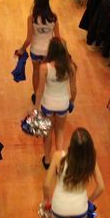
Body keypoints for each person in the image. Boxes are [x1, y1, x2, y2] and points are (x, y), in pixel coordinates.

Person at [34, 37, 77, 170]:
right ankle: (60, 162)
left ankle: (47, 160)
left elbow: (40, 90)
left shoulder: (44, 67)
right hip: (63, 104)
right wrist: (71, 102)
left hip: (47, 104)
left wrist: (36, 108)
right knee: (60, 131)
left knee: (48, 133)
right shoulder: (71, 67)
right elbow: (74, 89)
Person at [16, 0, 61, 98]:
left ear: (35, 1)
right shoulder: (53, 17)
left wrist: (21, 50)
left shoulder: (32, 18)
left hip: (35, 50)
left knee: (36, 72)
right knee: (47, 73)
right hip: (49, 52)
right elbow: (58, 38)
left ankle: (37, 96)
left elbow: (29, 39)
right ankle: (46, 96)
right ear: (48, 1)